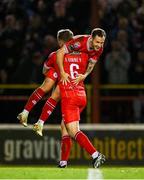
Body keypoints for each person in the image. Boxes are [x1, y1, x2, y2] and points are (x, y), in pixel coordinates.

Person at [17, 29, 74, 128]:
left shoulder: (55, 55)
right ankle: (39, 122)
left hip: (62, 84)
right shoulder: (81, 56)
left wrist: (54, 75)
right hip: (74, 89)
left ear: (59, 41)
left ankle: (25, 113)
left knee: (47, 88)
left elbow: (44, 70)